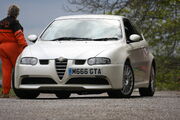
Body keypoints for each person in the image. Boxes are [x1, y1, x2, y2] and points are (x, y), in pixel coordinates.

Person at [0, 5, 27, 98]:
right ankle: (19, 90)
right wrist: (25, 47)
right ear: (17, 13)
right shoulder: (15, 23)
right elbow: (19, 35)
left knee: (6, 70)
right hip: (13, 47)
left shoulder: (2, 22)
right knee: (18, 69)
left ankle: (5, 92)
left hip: (2, 48)